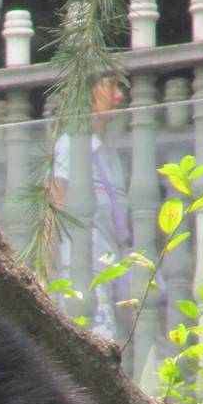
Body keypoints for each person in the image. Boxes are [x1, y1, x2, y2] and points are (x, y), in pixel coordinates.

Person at [50, 75, 132, 342]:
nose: (119, 96)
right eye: (111, 86)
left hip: (106, 272)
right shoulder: (70, 146)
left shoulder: (110, 155)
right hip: (79, 273)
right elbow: (53, 209)